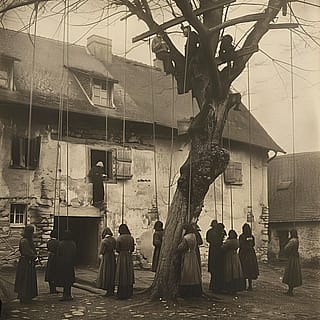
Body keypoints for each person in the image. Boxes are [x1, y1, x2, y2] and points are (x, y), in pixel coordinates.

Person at [14, 225, 38, 304]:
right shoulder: (24, 241)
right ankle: (23, 296)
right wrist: (34, 257)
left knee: (28, 279)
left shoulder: (27, 240)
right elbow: (27, 252)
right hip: (25, 262)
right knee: (25, 279)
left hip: (28, 262)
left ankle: (28, 295)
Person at [177, 224, 202, 298]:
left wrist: (177, 247)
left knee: (187, 272)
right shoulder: (194, 236)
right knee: (194, 273)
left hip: (187, 255)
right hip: (193, 255)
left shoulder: (186, 237)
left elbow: (181, 247)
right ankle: (195, 291)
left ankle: (187, 292)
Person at [222, 230, 245, 294]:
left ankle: (230, 288)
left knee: (230, 271)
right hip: (235, 256)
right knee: (235, 271)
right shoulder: (237, 241)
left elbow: (223, 248)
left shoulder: (229, 242)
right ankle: (235, 288)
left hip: (229, 256)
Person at [115, 224, 135, 299]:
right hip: (128, 256)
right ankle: (129, 293)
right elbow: (132, 249)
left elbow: (117, 249)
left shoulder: (119, 238)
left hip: (122, 256)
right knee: (128, 274)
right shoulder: (131, 238)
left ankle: (121, 293)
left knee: (121, 274)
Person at [56, 230, 77, 301]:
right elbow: (75, 254)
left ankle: (65, 295)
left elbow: (58, 254)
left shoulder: (61, 244)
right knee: (69, 280)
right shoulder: (73, 243)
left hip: (63, 264)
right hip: (70, 264)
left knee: (64, 280)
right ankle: (69, 294)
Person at [239, 223, 259, 291]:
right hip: (250, 254)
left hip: (244, 254)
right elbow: (253, 244)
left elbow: (240, 244)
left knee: (244, 268)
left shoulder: (242, 236)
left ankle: (244, 285)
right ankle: (249, 285)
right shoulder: (251, 236)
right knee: (249, 269)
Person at [96, 227, 116, 296]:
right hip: (112, 257)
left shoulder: (104, 241)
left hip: (106, 257)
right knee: (112, 273)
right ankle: (112, 289)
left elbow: (101, 252)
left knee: (105, 273)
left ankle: (107, 289)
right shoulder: (114, 240)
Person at [282, 229, 302, 296]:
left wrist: (288, 253)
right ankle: (290, 290)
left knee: (290, 273)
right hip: (295, 258)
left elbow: (286, 248)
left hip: (292, 258)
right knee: (293, 273)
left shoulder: (292, 240)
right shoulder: (297, 240)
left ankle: (290, 291)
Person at [207, 222, 226, 293]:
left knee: (214, 270)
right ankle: (218, 287)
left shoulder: (210, 232)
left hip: (212, 250)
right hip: (219, 251)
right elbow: (221, 241)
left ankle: (213, 287)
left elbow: (208, 240)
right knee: (219, 270)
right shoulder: (220, 233)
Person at [45, 229, 59, 294]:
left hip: (50, 257)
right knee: (55, 272)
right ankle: (54, 288)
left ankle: (51, 288)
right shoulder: (58, 242)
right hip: (56, 258)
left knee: (50, 272)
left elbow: (48, 249)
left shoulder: (49, 242)